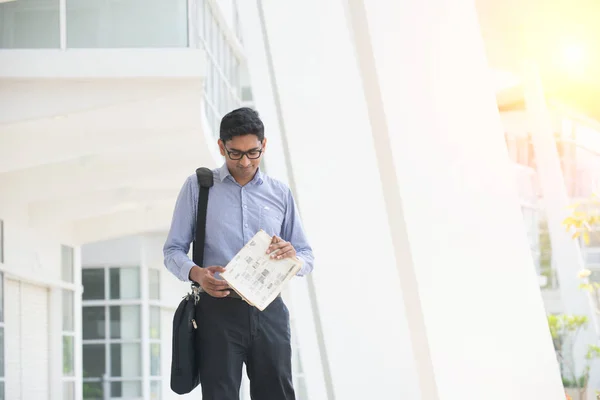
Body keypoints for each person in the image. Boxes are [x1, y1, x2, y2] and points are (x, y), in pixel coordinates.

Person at [163, 107, 314, 400]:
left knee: (278, 394)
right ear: (221, 147)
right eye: (235, 153)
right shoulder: (199, 187)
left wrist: (293, 255)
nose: (245, 162)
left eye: (253, 152)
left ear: (264, 145)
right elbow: (172, 250)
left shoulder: (280, 193)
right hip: (217, 311)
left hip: (269, 310)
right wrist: (197, 274)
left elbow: (307, 255)